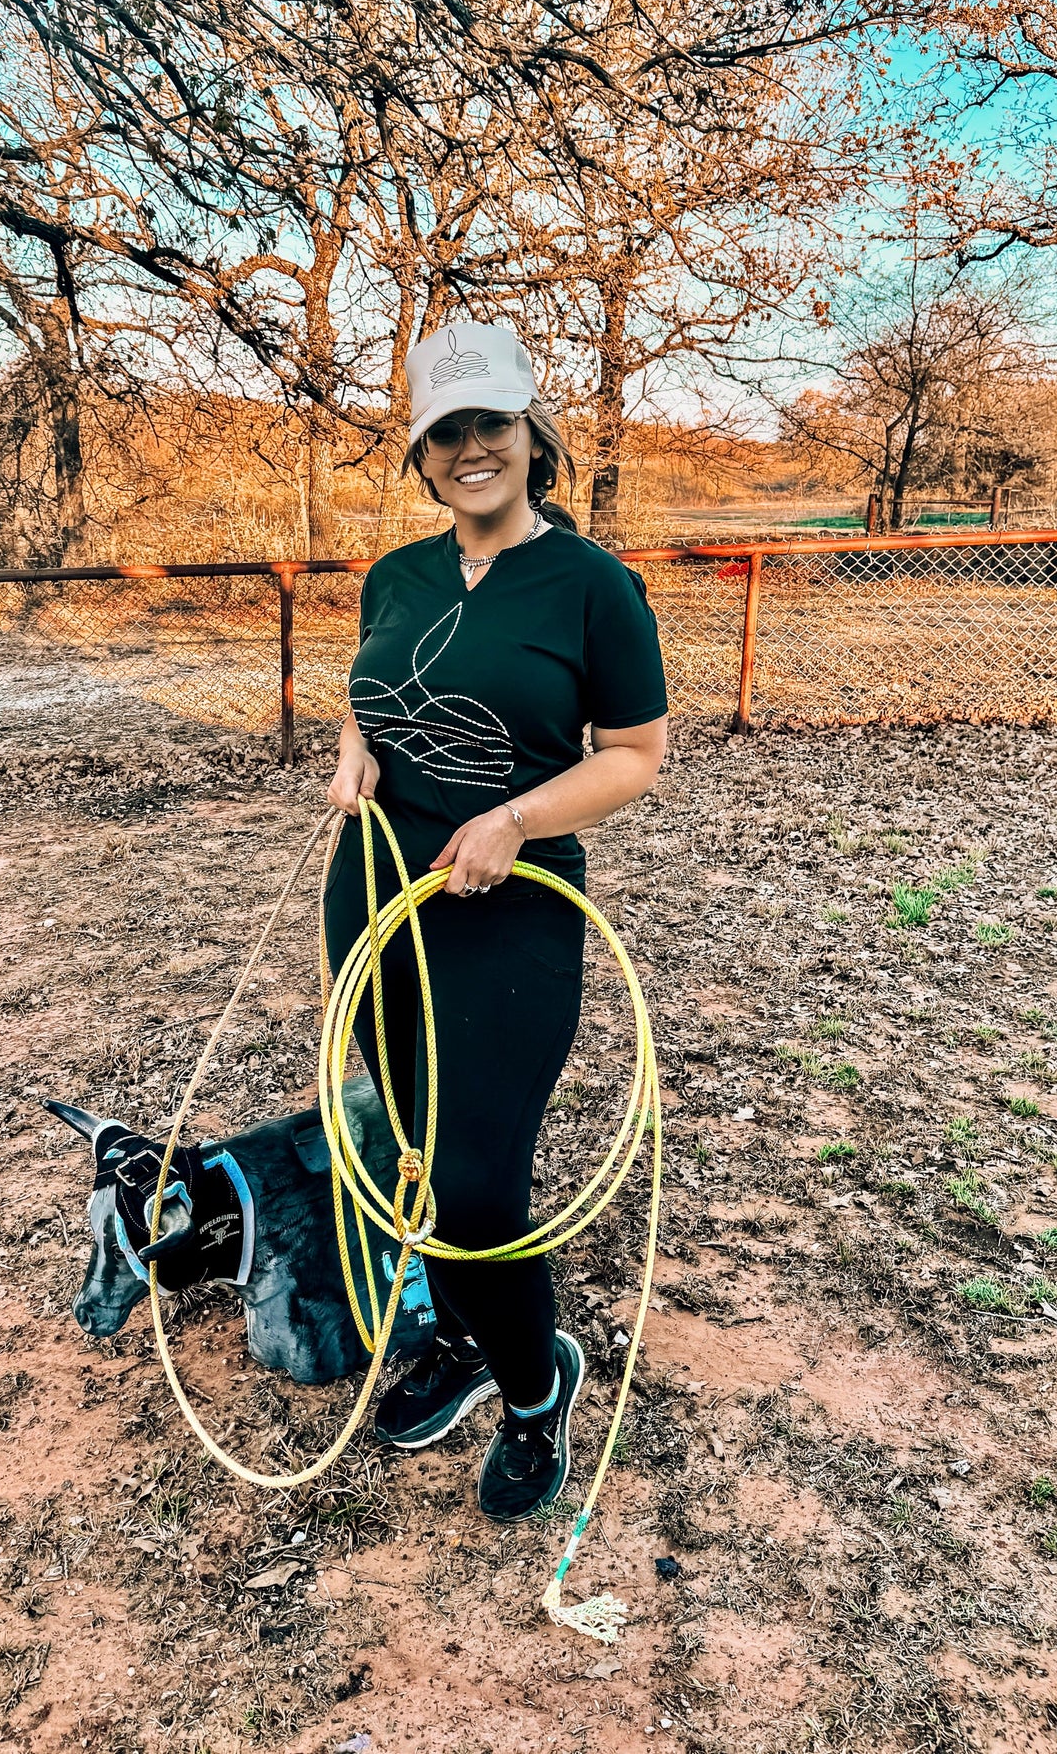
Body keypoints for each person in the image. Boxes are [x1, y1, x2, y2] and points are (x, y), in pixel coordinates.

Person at [324, 320, 668, 1522]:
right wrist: (356, 751)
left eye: (489, 424)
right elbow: (373, 689)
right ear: (420, 454)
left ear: (530, 437)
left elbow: (634, 755)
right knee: (417, 1154)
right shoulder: (395, 575)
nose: (469, 448)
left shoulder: (592, 584)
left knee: (474, 1182)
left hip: (511, 899)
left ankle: (534, 1383)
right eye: (443, 431)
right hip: (374, 894)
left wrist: (516, 818)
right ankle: (468, 1338)